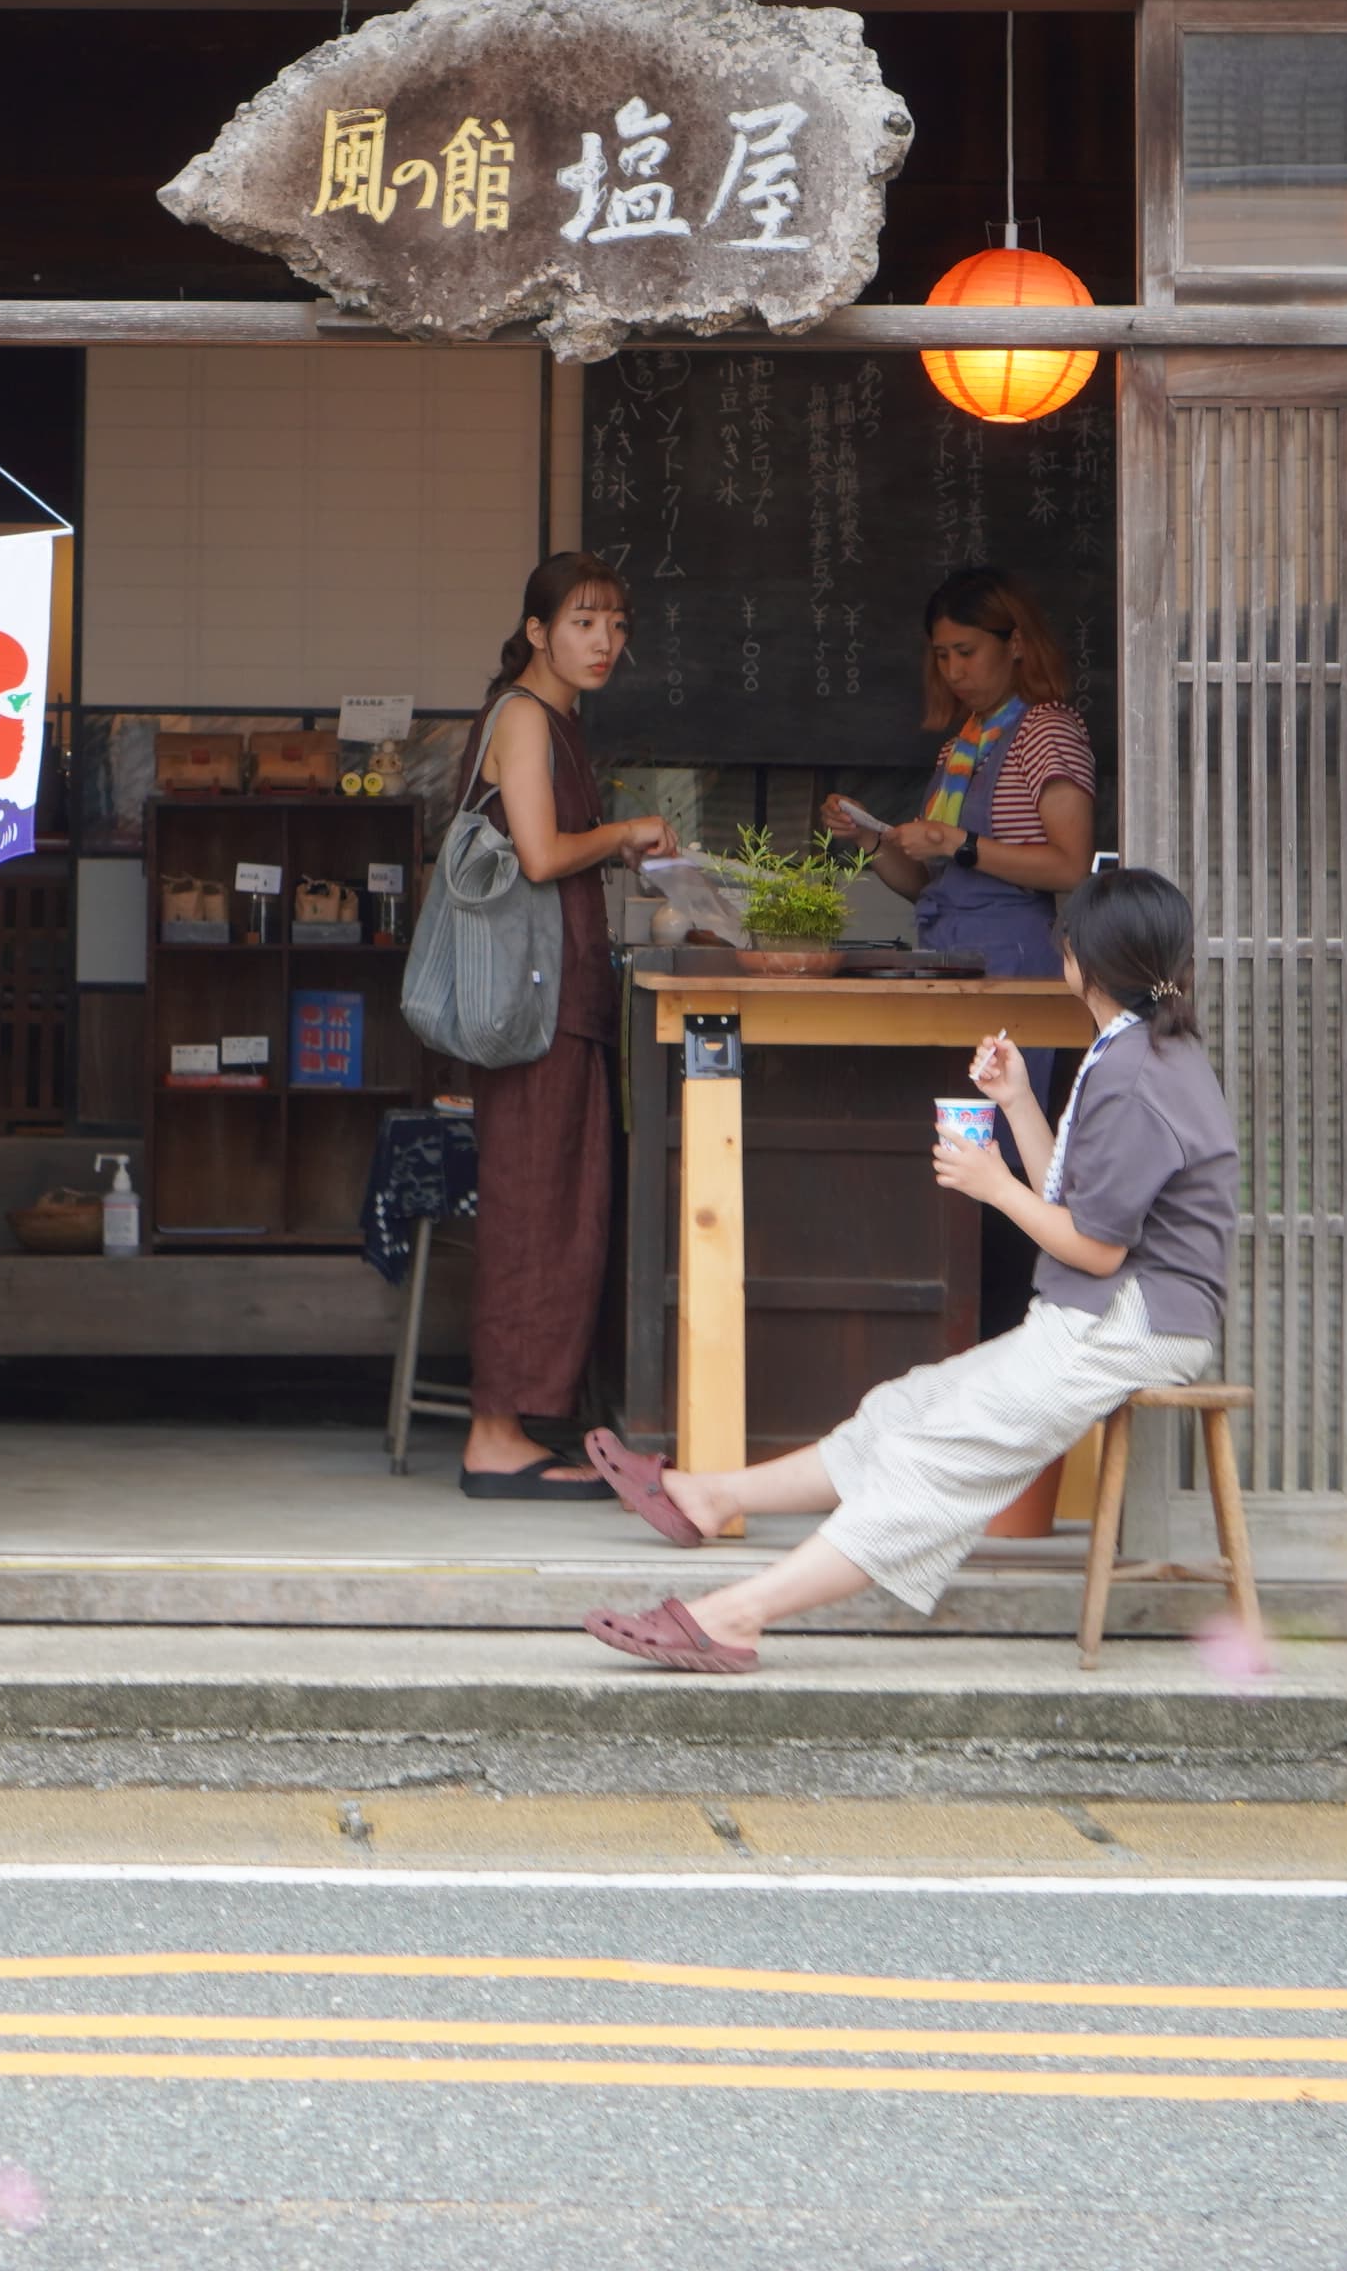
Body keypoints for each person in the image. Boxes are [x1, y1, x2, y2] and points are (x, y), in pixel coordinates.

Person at [574, 865, 1238, 1670]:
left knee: (938, 1455)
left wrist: (991, 1186)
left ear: (1080, 961)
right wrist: (1020, 1103)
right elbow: (1072, 1202)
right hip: (1110, 1311)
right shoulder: (1135, 1052)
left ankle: (737, 1615)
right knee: (906, 1408)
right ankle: (712, 1496)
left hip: (1130, 1317)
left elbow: (1094, 1246)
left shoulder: (1136, 1074)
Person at [451, 551, 678, 1497]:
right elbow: (541, 856)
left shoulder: (556, 723)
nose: (606, 642)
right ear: (539, 632)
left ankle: (523, 1422)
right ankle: (495, 1434)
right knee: (532, 1209)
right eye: (585, 622)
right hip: (534, 1007)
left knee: (561, 1210)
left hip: (560, 999)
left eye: (618, 625)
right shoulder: (523, 716)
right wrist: (625, 834)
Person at [823, 565, 1099, 1332]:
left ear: (1017, 646)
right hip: (949, 948)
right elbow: (922, 883)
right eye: (941, 655)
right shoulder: (962, 743)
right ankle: (958, 1323)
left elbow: (1070, 865)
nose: (954, 669)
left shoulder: (1050, 730)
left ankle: (1015, 1320)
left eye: (968, 650)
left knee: (1005, 1147)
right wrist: (873, 840)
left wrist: (964, 844)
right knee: (958, 1144)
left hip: (1013, 955)